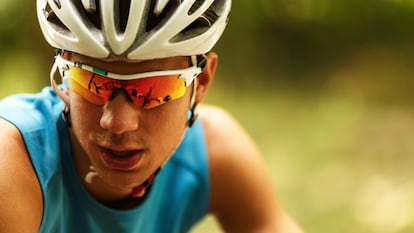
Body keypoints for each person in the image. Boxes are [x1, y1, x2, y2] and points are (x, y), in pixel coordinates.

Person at [0, 0, 303, 232]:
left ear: (202, 83)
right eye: (92, 82)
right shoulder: (11, 164)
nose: (117, 122)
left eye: (155, 89)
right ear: (63, 71)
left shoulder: (214, 153)